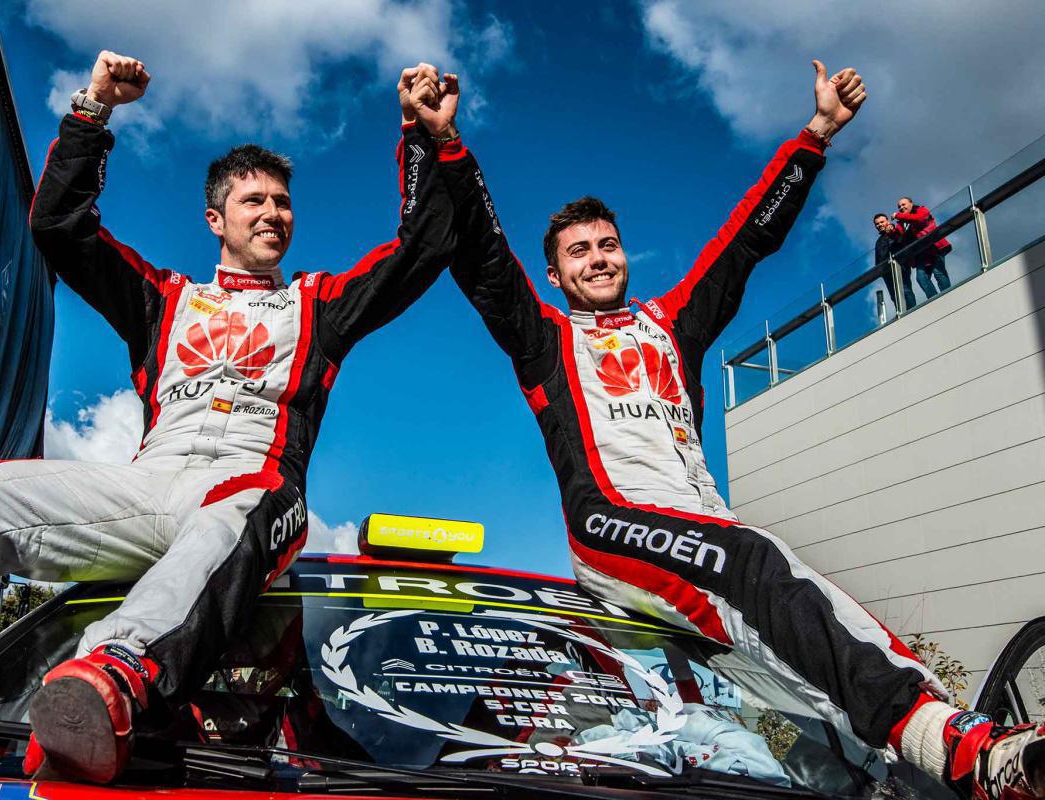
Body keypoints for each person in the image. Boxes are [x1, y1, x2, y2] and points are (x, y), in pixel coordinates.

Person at [413, 58, 1045, 800]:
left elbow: (747, 240)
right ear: (555, 274)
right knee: (754, 560)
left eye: (607, 244)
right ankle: (959, 747)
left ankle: (903, 777)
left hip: (704, 525)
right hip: (611, 520)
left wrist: (817, 133)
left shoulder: (670, 323)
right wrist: (443, 142)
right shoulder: (544, 337)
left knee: (786, 665)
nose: (597, 259)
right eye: (578, 252)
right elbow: (484, 257)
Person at [0, 53, 457, 783]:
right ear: (216, 219)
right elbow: (58, 226)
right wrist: (93, 111)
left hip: (247, 491)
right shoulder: (162, 298)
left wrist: (422, 133)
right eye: (254, 201)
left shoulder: (321, 304)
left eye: (283, 203)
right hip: (148, 487)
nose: (273, 213)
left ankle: (108, 677)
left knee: (264, 498)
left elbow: (424, 247)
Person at [895, 196, 952, 298]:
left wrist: (898, 215)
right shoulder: (901, 223)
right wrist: (890, 230)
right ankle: (935, 300)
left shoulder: (921, 209)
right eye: (899, 206)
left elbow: (919, 219)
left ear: (911, 203)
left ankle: (949, 296)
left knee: (938, 273)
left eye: (903, 204)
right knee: (921, 278)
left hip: (933, 247)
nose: (901, 207)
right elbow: (898, 237)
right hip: (921, 253)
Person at [874, 212, 917, 312]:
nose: (879, 225)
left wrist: (892, 228)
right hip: (886, 271)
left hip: (900, 265)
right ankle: (901, 313)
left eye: (882, 222)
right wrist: (880, 271)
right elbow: (879, 258)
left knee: (905, 290)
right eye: (877, 224)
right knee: (894, 295)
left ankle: (913, 311)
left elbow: (898, 238)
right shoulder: (878, 241)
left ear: (887, 221)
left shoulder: (893, 231)